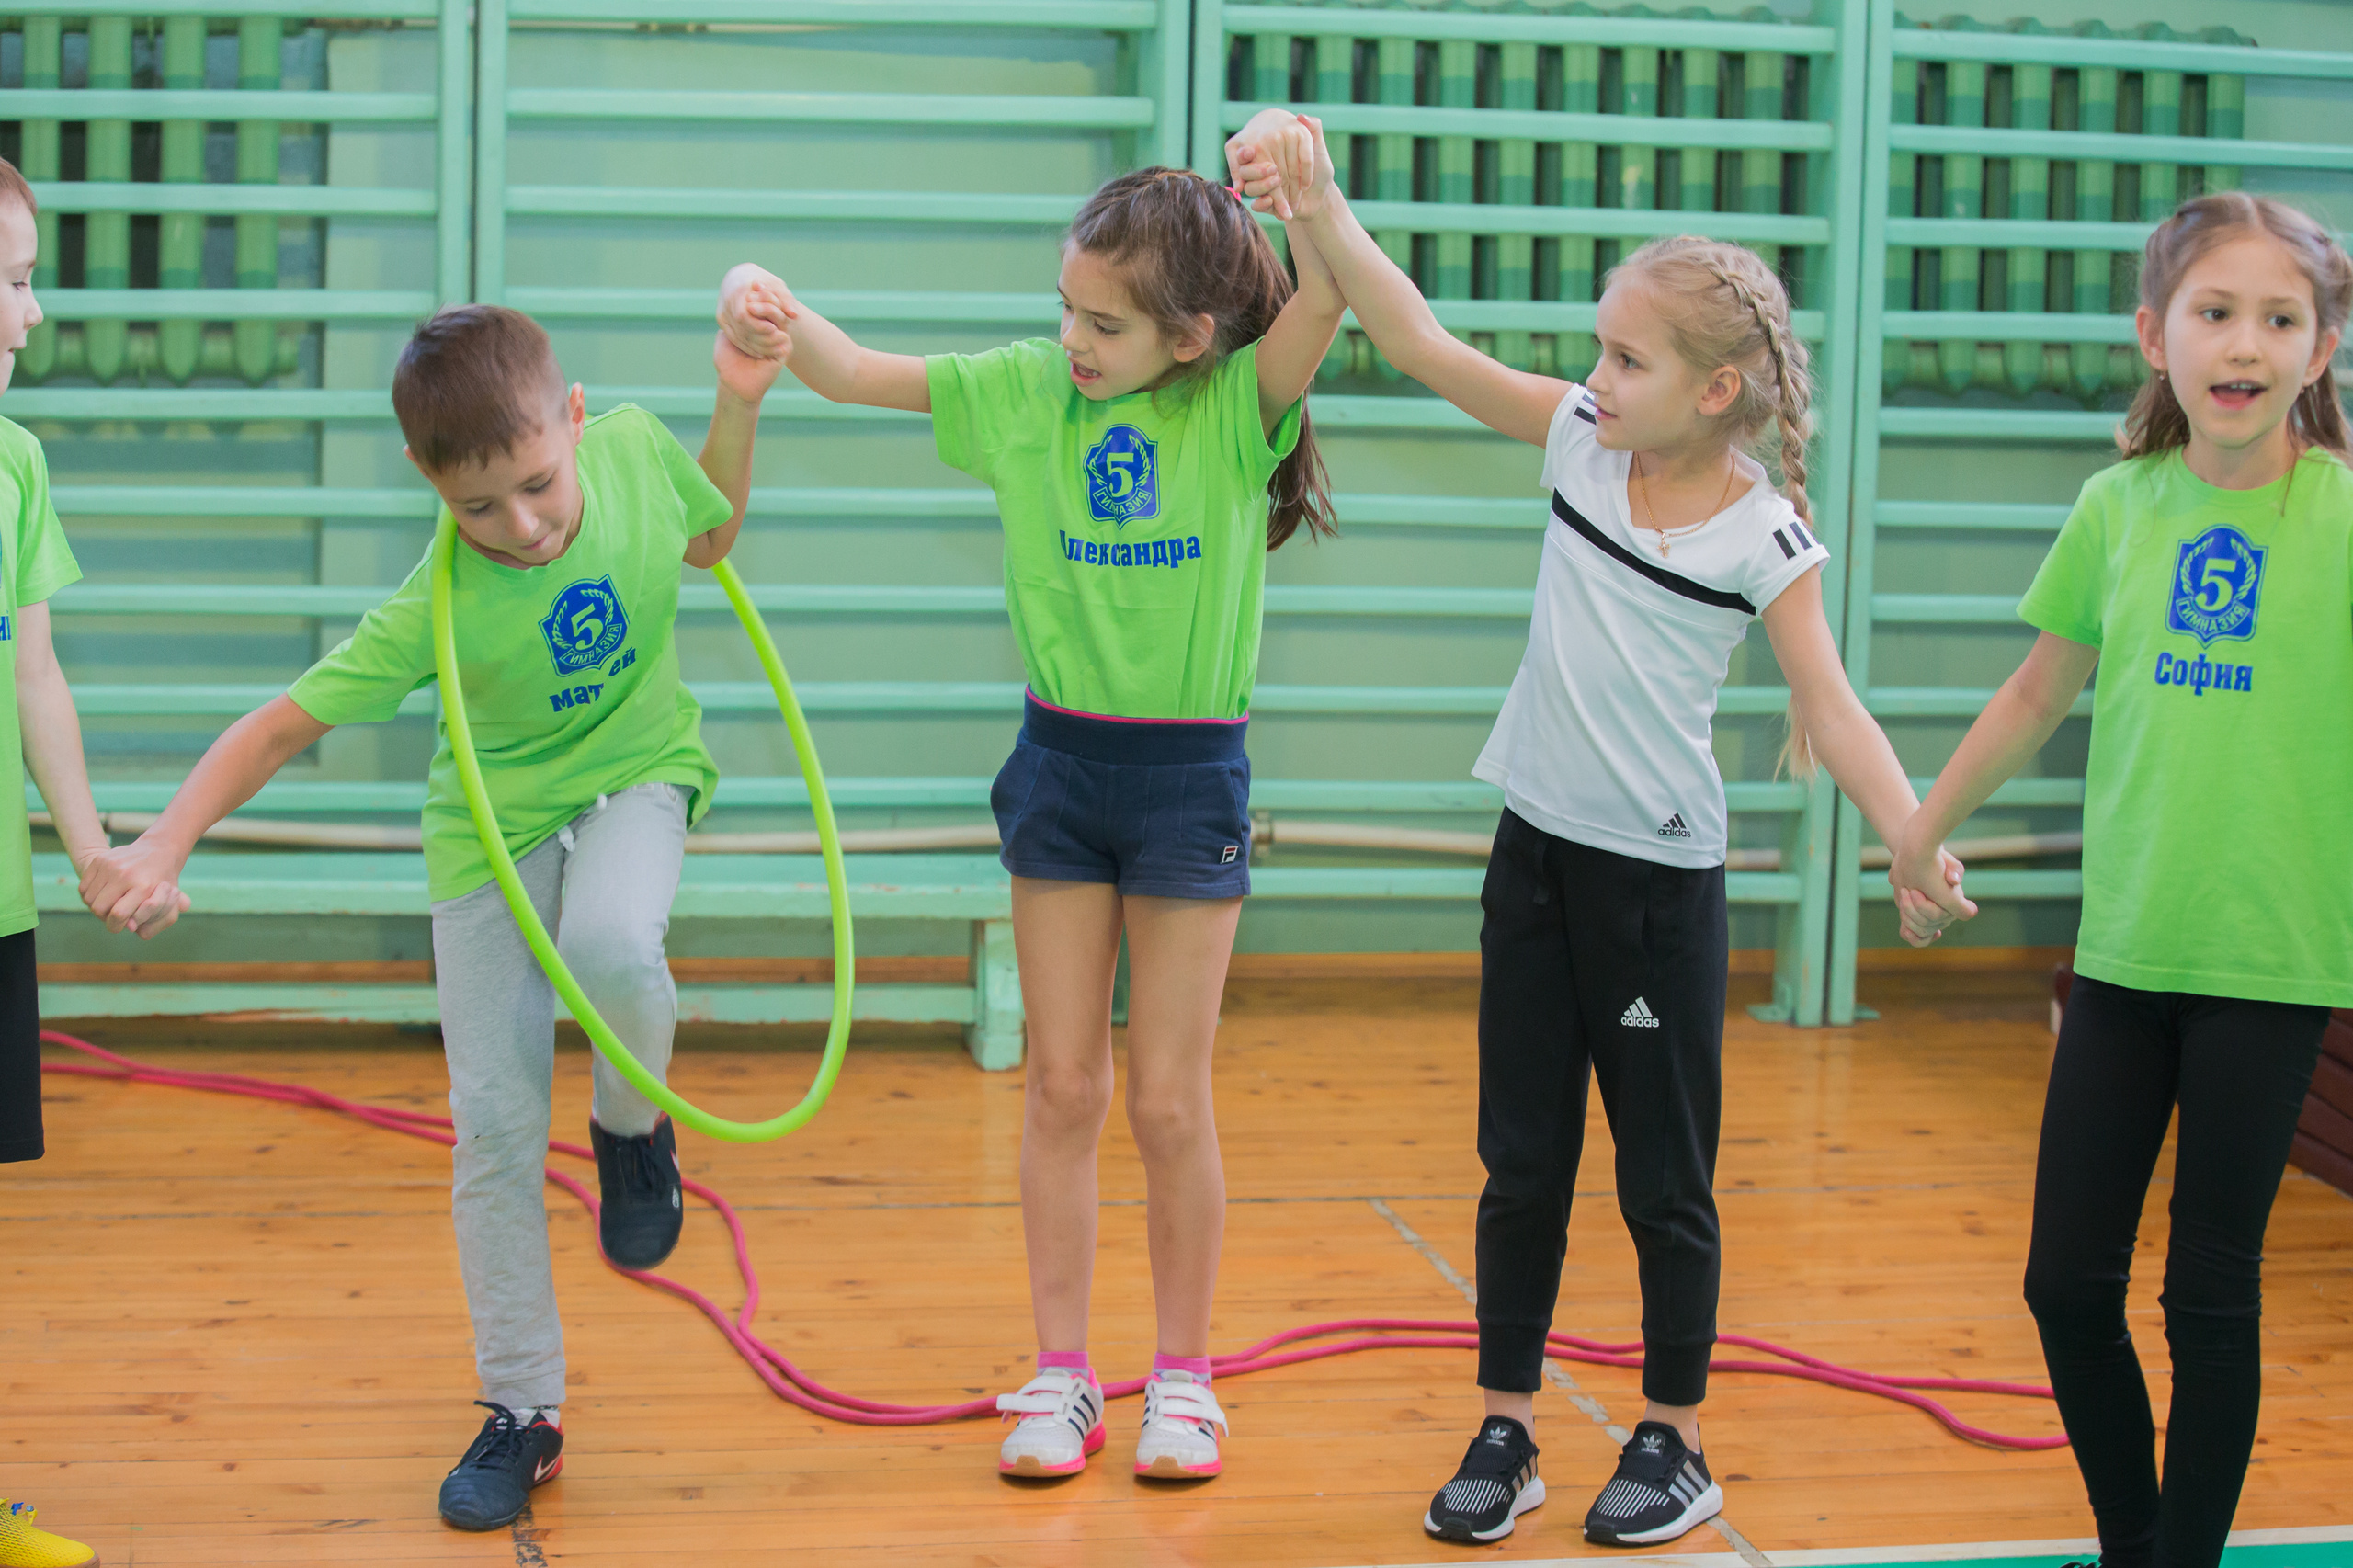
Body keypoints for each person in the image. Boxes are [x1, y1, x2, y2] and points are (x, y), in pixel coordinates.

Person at [1229, 112, 1968, 1546]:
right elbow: (1422, 340)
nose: (1597, 376)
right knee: (1521, 1157)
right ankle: (1507, 1419)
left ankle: (1675, 1437)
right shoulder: (1576, 438)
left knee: (1662, 1176)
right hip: (1537, 861)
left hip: (1657, 892)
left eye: (1629, 358)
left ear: (1720, 390)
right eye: (1600, 349)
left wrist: (1908, 832)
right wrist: (1315, 202)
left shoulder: (1764, 538)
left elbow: (1836, 703)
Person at [77, 301, 780, 1531]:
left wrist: (740, 398)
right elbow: (283, 724)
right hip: (488, 833)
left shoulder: (623, 450)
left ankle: (632, 1130)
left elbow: (710, 535)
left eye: (536, 487)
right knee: (494, 1126)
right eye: (478, 508)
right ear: (427, 483)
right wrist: (163, 838)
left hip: (636, 772)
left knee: (615, 945)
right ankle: (524, 1409)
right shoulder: (434, 602)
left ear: (570, 420)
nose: (520, 526)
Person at [715, 164, 1343, 1482]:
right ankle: (1063, 1375)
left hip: (1188, 780)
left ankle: (1184, 1376)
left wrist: (1308, 187)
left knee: (1170, 1101)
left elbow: (1332, 287)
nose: (1072, 340)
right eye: (1065, 308)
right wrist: (768, 310)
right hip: (1060, 768)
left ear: (1192, 337)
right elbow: (849, 370)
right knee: (1064, 1086)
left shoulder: (1240, 406)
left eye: (1104, 324)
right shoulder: (1021, 393)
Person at [1890, 192, 2353, 1568]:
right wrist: (1920, 827)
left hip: (2268, 969)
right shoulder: (2118, 508)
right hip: (2125, 958)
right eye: (2216, 312)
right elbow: (2037, 693)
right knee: (2064, 1282)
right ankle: (2134, 1538)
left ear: (2322, 350)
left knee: (2209, 1292)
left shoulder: (2340, 516)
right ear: (2156, 335)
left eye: (2281, 317)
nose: (2246, 342)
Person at [0, 153, 185, 1568]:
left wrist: (89, 852)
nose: (33, 313)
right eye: (7, 282)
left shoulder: (17, 463)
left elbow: (37, 674)